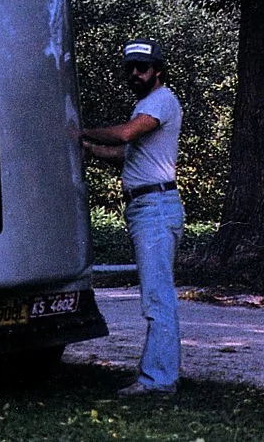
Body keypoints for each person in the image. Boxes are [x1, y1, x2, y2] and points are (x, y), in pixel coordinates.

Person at [81, 38, 184, 396]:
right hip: (145, 206)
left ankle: (158, 381)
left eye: (142, 67)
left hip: (155, 207)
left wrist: (79, 130)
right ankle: (159, 375)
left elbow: (126, 134)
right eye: (130, 69)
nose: (136, 74)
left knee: (158, 297)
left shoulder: (160, 101)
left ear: (157, 70)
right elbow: (127, 153)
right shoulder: (146, 104)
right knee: (157, 295)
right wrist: (89, 149)